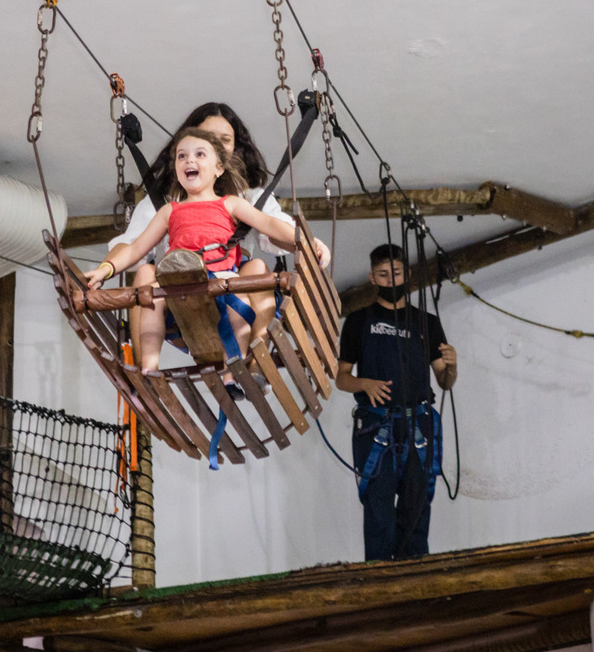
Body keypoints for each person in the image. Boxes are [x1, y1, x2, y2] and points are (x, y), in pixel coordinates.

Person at [86, 127, 327, 380]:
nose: (189, 160)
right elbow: (136, 248)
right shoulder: (170, 210)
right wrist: (106, 269)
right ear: (177, 169)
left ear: (218, 169)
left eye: (200, 154)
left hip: (220, 276)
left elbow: (267, 224)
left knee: (241, 299)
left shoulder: (230, 204)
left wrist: (304, 240)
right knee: (150, 299)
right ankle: (149, 366)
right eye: (182, 156)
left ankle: (234, 369)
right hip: (178, 282)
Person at [335, 244, 458, 560]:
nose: (391, 280)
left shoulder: (426, 323)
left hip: (419, 423)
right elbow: (341, 377)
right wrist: (363, 383)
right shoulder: (359, 321)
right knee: (378, 507)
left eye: (397, 273)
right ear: (372, 277)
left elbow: (444, 380)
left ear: (408, 275)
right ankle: (379, 583)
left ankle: (416, 578)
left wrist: (453, 365)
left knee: (417, 506)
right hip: (376, 425)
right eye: (383, 275)